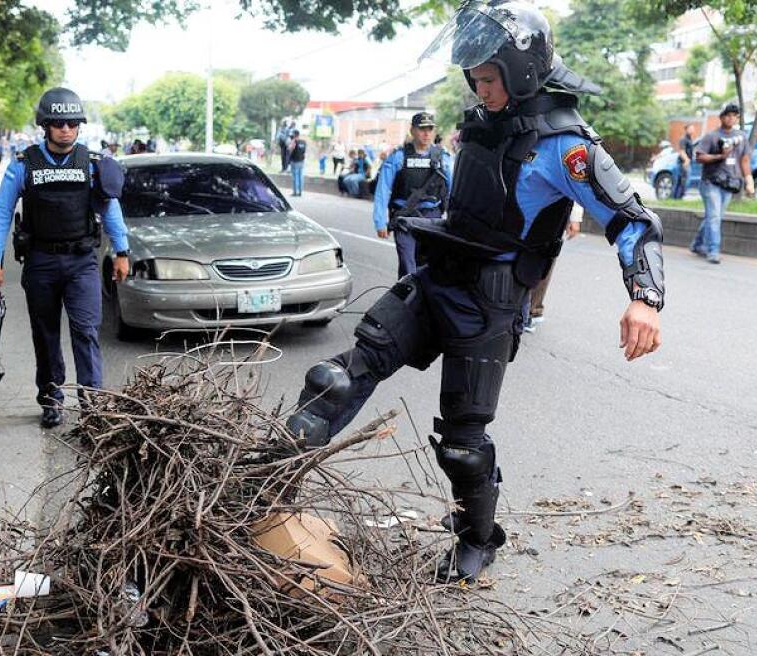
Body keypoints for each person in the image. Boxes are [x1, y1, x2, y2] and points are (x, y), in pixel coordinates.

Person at [285, 0, 665, 585]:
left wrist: (644, 297)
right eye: (474, 78)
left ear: (521, 73)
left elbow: (632, 220)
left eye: (489, 78)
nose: (479, 88)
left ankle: (478, 539)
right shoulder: (485, 121)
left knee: (462, 444)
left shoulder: (567, 146)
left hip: (490, 304)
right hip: (439, 278)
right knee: (337, 377)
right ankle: (265, 481)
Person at [0, 87, 130, 429]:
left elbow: (111, 211)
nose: (66, 129)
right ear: (45, 126)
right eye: (58, 122)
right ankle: (51, 400)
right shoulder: (23, 164)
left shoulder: (92, 165)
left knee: (86, 331)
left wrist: (122, 251)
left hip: (81, 262)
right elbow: (1, 213)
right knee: (45, 334)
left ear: (80, 126)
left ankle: (93, 406)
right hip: (41, 263)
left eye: (73, 122)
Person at [372, 111, 453, 279]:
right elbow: (383, 189)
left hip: (432, 217)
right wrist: (380, 221)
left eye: (430, 129)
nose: (426, 133)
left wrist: (455, 219)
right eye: (422, 128)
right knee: (407, 264)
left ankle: (421, 302)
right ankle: (407, 300)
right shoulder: (398, 156)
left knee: (428, 266)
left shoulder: (443, 158)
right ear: (412, 131)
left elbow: (454, 190)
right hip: (404, 217)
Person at [692, 103, 753, 264]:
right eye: (728, 115)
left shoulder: (742, 137)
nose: (731, 118)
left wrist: (749, 181)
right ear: (721, 117)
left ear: (737, 118)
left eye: (734, 115)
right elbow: (699, 157)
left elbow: (745, 160)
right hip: (710, 182)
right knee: (714, 217)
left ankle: (697, 244)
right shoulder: (711, 136)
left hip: (729, 184)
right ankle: (713, 251)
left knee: (714, 217)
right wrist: (719, 156)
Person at [523, 207, 583, 333]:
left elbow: (579, 187)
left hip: (554, 207)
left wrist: (575, 217)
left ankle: (529, 310)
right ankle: (531, 310)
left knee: (546, 252)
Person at [674, 123, 696, 199]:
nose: (692, 130)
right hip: (683, 163)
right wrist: (686, 160)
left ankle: (678, 197)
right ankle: (677, 197)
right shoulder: (683, 139)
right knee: (683, 181)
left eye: (693, 128)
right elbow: (681, 151)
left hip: (687, 162)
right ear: (686, 129)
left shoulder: (690, 139)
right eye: (691, 128)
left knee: (683, 180)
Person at [288, 129, 307, 196]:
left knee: (295, 177)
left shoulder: (294, 141)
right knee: (300, 176)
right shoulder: (304, 142)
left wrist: (291, 143)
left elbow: (290, 149)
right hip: (301, 161)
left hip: (294, 161)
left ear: (294, 135)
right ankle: (300, 191)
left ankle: (295, 192)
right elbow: (304, 151)